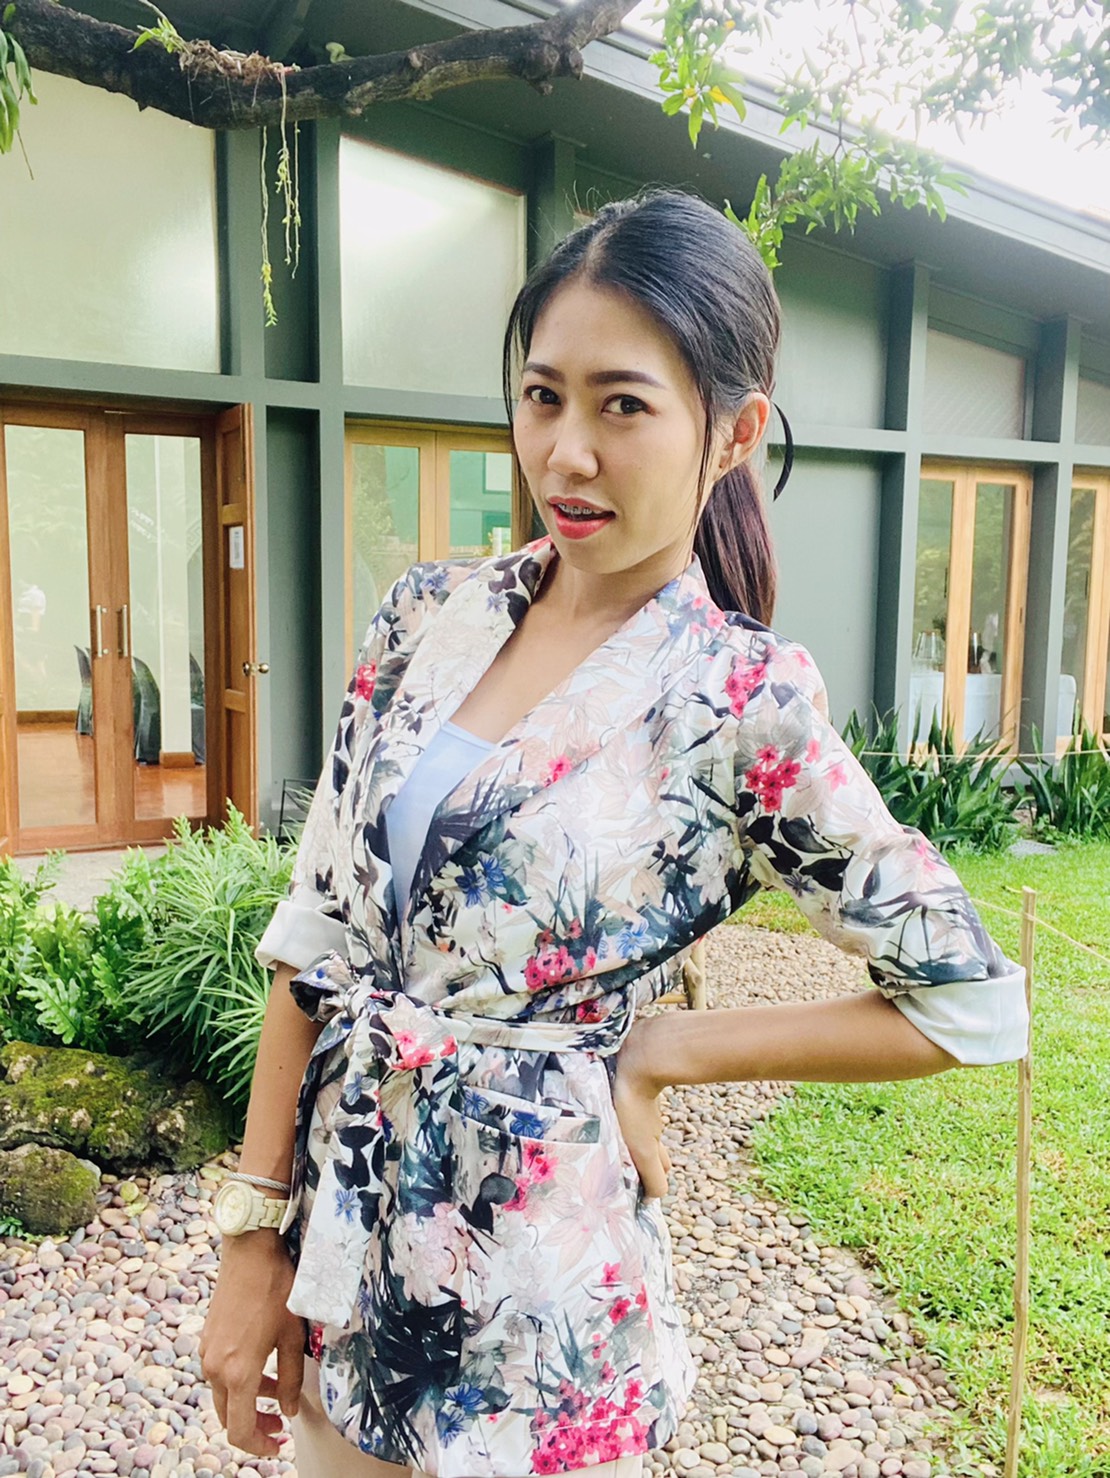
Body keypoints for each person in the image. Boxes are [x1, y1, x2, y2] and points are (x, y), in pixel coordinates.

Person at [199, 189, 1029, 1478]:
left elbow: (968, 1004)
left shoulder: (738, 702)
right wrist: (253, 1240)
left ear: (734, 434)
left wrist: (664, 1051)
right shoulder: (425, 618)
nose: (567, 454)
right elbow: (317, 933)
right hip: (350, 1271)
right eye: (543, 396)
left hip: (547, 1320)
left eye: (623, 405)